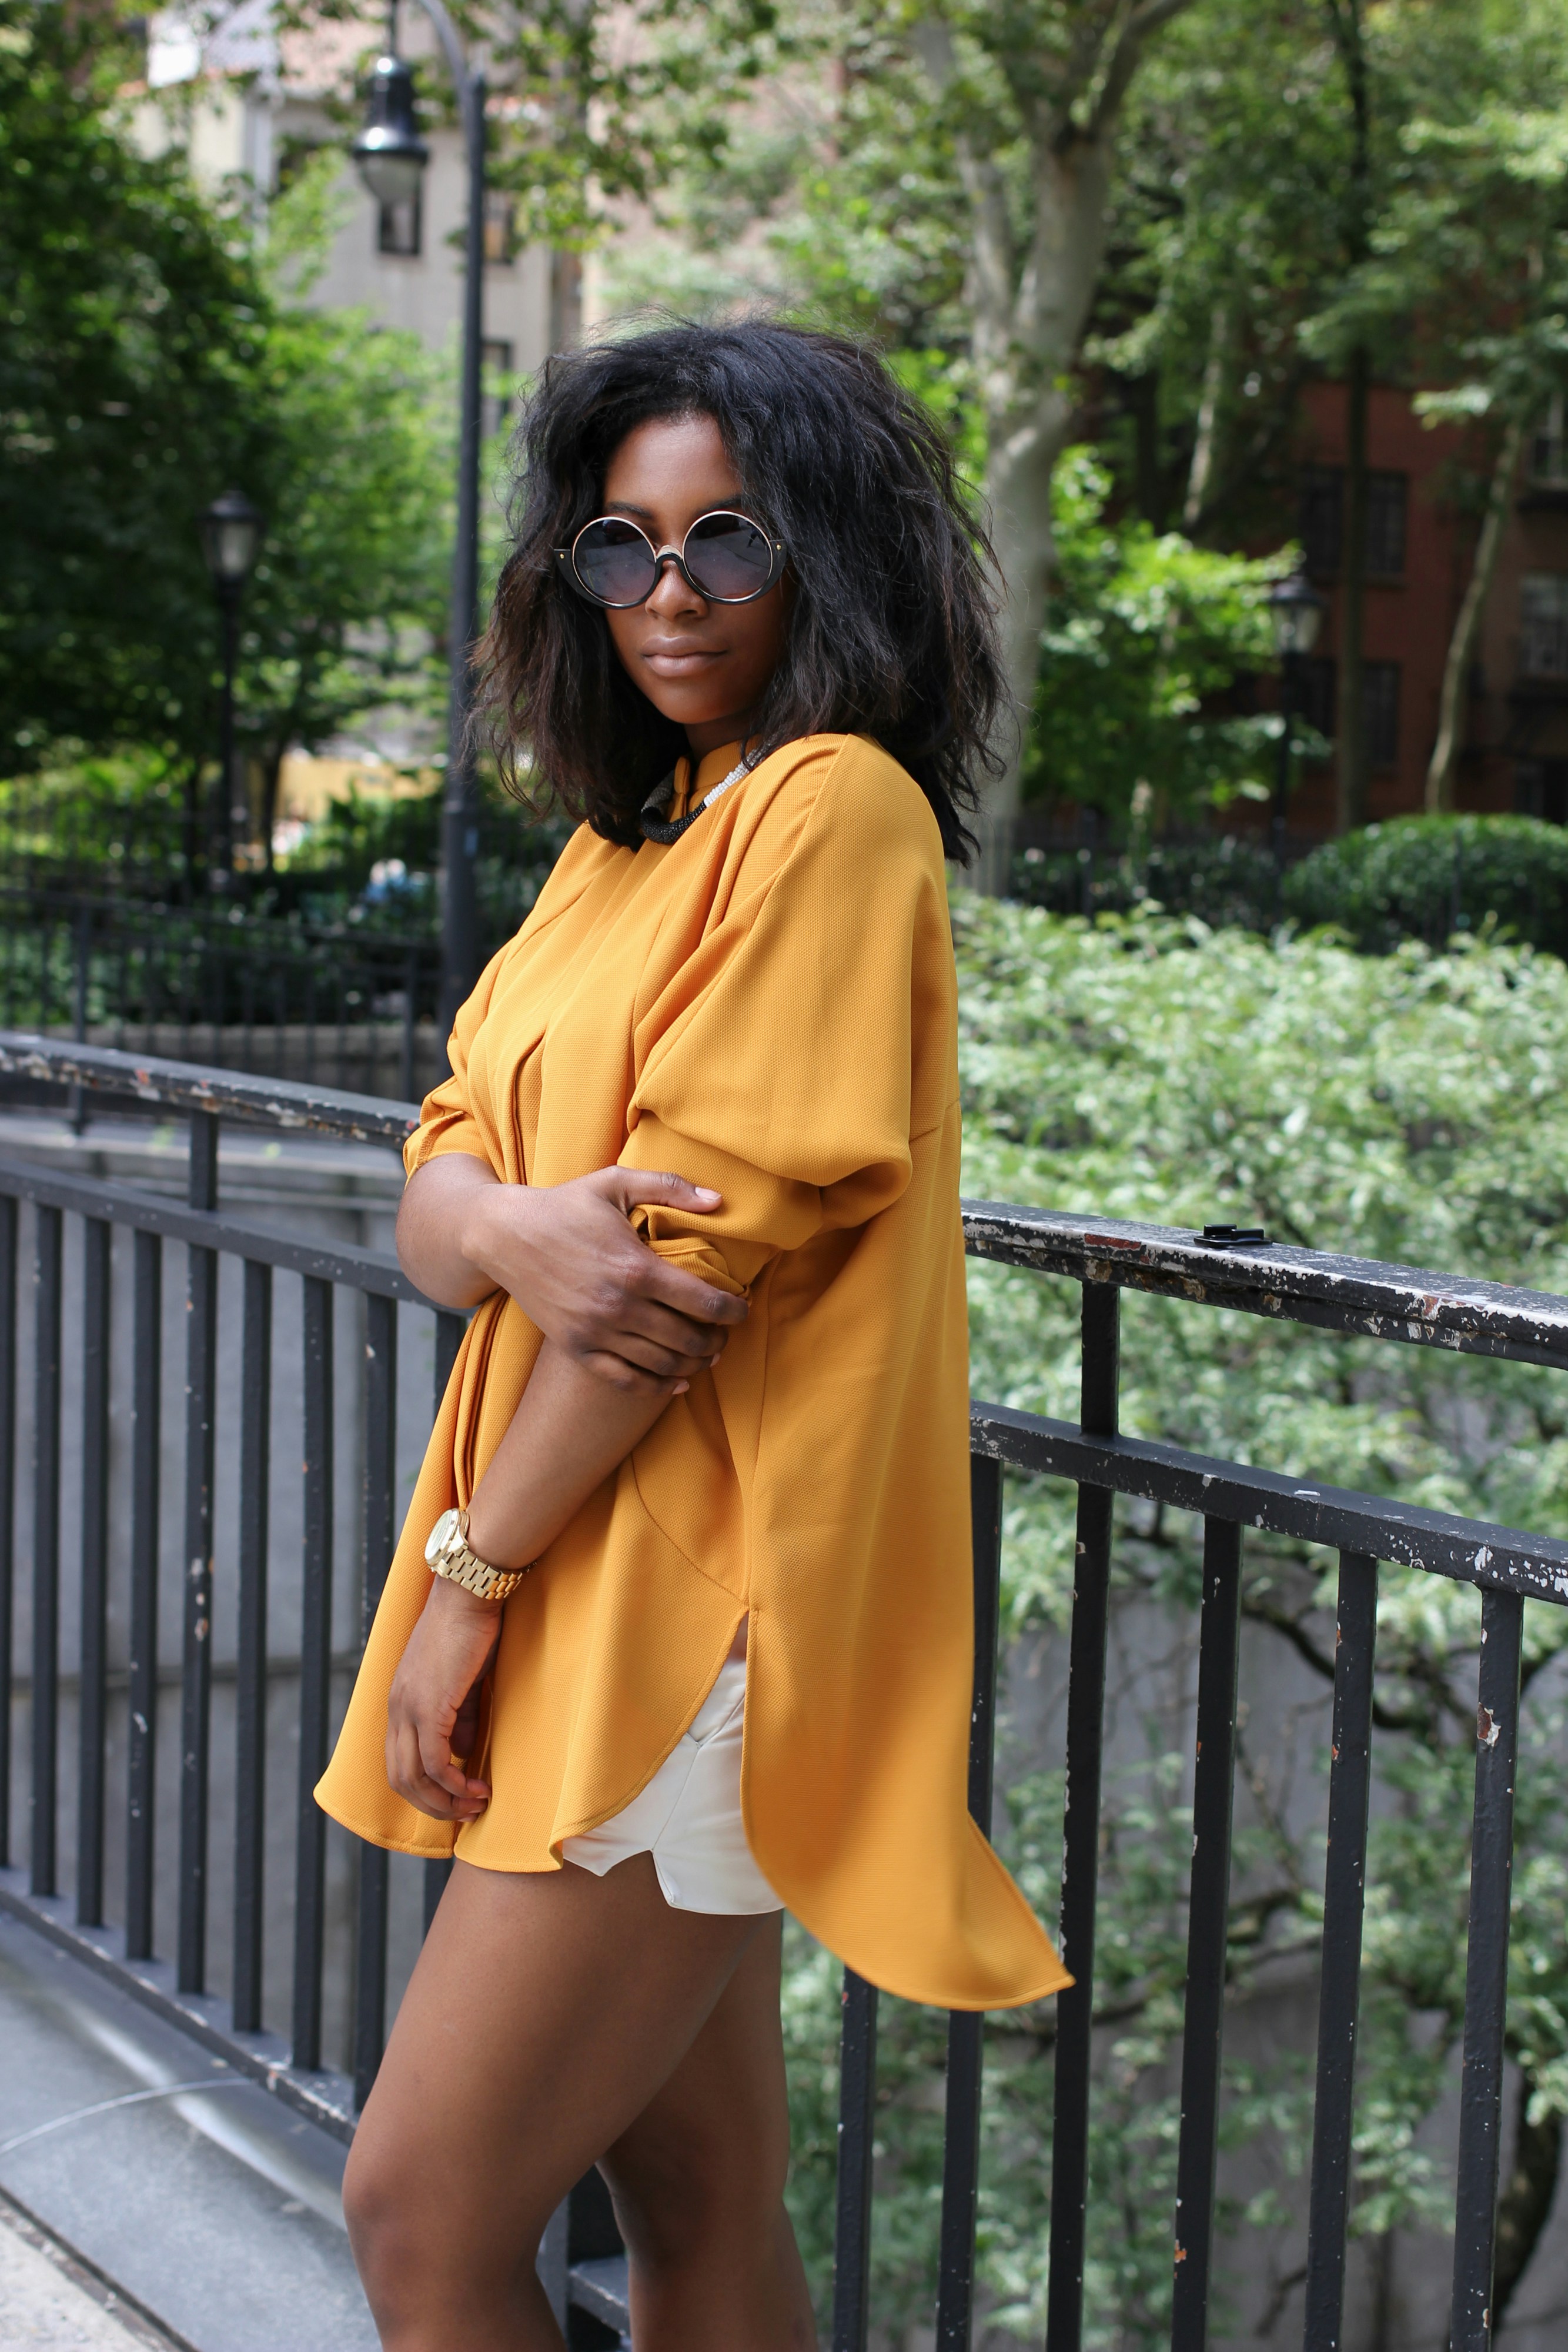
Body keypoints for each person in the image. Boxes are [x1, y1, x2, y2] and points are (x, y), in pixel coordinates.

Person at [316, 320, 1068, 2352]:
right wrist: (499, 1222)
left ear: (823, 559)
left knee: (420, 2213)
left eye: (722, 546)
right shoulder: (621, 841)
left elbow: (670, 1287)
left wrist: (467, 1582)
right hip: (588, 1567)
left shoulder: (824, 811)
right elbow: (435, 1187)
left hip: (687, 1596)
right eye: (617, 548)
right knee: (703, 2209)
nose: (664, 596)